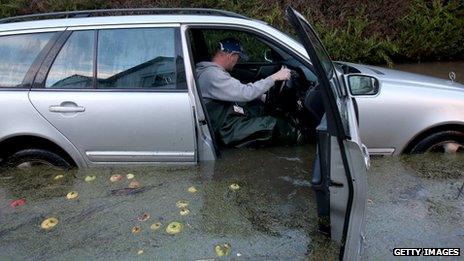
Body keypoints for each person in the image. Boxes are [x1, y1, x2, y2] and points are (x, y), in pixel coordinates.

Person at [196, 37, 300, 147]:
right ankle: (299, 140)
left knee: (258, 110)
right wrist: (274, 78)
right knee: (272, 125)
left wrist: (259, 97)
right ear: (230, 56)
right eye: (237, 57)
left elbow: (235, 90)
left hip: (225, 119)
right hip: (224, 130)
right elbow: (246, 93)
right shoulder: (213, 75)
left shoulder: (212, 72)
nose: (237, 61)